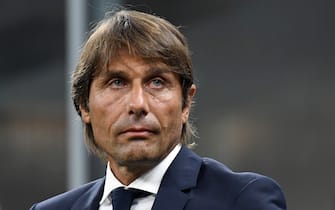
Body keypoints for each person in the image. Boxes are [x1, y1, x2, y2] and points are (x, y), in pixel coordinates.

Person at [30, 9, 287, 210]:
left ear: (186, 103)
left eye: (157, 82)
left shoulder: (242, 201)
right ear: (84, 105)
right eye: (117, 82)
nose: (138, 104)